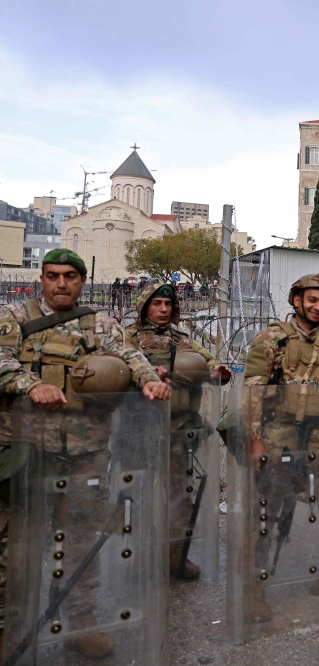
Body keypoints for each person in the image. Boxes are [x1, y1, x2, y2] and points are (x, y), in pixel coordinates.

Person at [0, 249, 170, 658]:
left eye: (71, 276)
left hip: (85, 451)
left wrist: (148, 379)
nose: (62, 284)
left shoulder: (100, 323)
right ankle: (9, 626)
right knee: (14, 546)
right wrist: (29, 384)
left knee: (79, 540)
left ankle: (79, 621)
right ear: (42, 278)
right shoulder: (14, 316)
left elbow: (129, 356)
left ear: (81, 280)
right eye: (54, 275)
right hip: (25, 449)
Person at [242, 273, 319, 604]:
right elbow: (253, 391)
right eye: (312, 300)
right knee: (269, 506)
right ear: (296, 300)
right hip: (280, 435)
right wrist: (255, 440)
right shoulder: (272, 339)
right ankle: (255, 587)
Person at [124, 282, 232, 579]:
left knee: (181, 496)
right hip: (140, 431)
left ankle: (175, 557)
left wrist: (218, 373)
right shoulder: (127, 338)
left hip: (180, 432)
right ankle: (139, 558)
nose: (163, 310)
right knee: (140, 495)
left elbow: (207, 362)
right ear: (145, 305)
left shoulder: (180, 339)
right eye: (157, 304)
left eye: (168, 305)